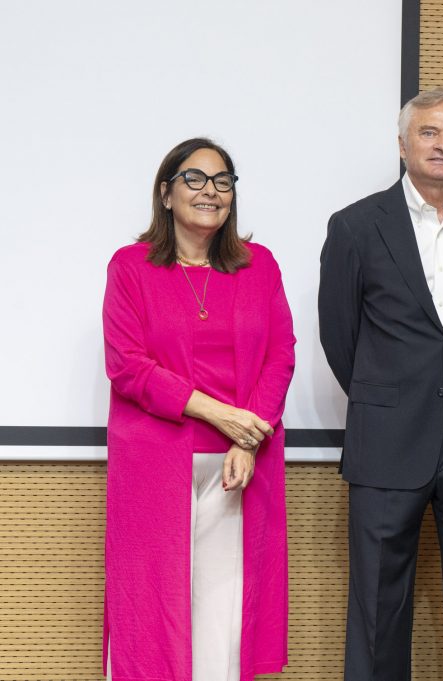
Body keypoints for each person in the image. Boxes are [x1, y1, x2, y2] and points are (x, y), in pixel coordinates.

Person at [318, 87, 443, 681]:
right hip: (387, 440)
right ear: (403, 142)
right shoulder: (355, 225)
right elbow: (340, 337)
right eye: (430, 133)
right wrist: (391, 393)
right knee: (379, 607)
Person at [102, 138, 295, 681]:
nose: (210, 191)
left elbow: (281, 356)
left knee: (225, 621)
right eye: (194, 179)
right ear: (165, 194)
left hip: (240, 466)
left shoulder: (260, 266)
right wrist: (223, 415)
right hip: (154, 467)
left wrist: (246, 437)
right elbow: (129, 368)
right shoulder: (130, 268)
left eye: (223, 181)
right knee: (149, 616)